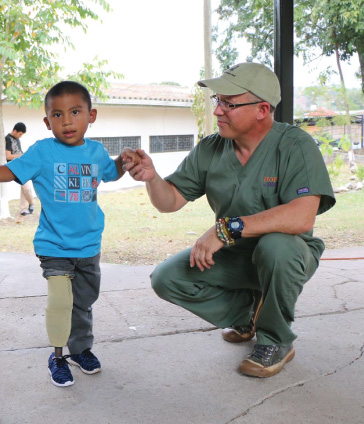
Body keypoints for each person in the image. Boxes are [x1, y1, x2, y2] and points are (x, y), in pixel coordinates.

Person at [124, 62, 336, 378]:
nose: (218, 111)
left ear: (262, 109)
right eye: (217, 101)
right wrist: (152, 178)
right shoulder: (211, 148)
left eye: (229, 103)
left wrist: (225, 230)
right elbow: (170, 200)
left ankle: (276, 340)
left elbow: (302, 216)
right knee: (166, 278)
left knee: (276, 247)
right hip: (235, 255)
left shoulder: (295, 145)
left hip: (287, 255)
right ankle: (250, 314)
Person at [0, 81, 140, 387]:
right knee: (60, 302)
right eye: (57, 114)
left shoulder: (95, 152)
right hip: (54, 245)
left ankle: (80, 350)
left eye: (75, 112)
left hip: (88, 245)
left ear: (90, 115)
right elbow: (10, 172)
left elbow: (111, 171)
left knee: (83, 302)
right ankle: (57, 357)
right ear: (47, 122)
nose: (67, 121)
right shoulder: (42, 152)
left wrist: (125, 160)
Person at [5, 122, 36, 215]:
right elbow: (8, 156)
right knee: (27, 187)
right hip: (15, 166)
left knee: (24, 187)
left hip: (22, 164)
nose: (20, 136)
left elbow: (18, 152)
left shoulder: (17, 139)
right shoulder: (7, 139)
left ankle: (23, 209)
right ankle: (32, 203)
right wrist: (22, 156)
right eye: (20, 134)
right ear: (15, 131)